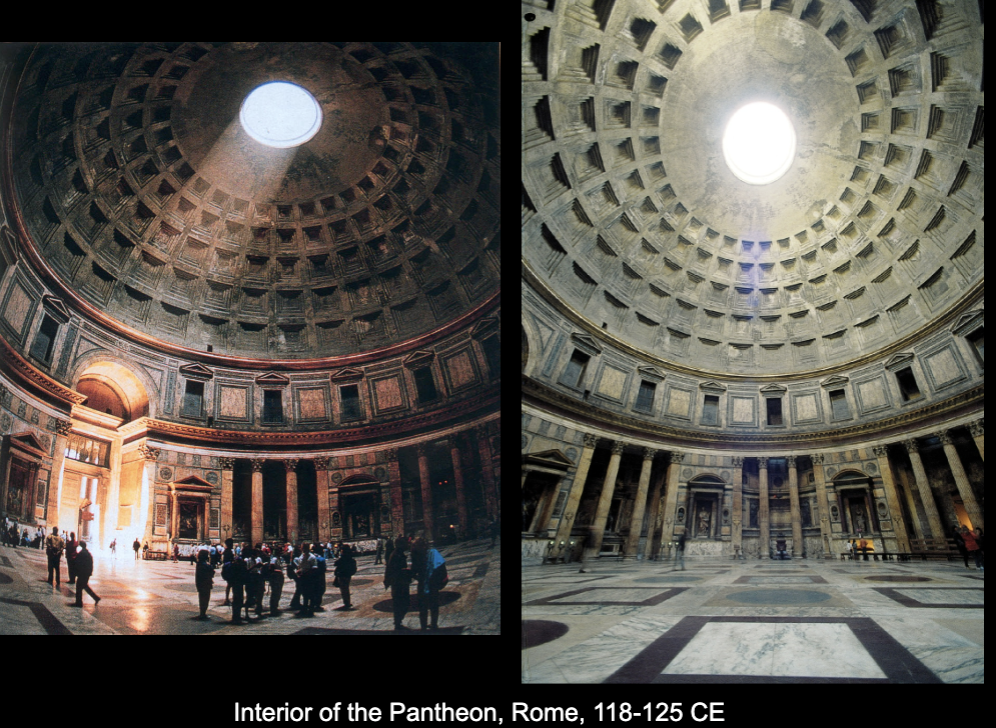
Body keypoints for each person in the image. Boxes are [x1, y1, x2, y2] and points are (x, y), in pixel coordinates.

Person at [411, 539, 447, 631]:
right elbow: (414, 570)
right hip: (428, 583)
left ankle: (428, 626)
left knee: (427, 606)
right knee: (430, 606)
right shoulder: (420, 555)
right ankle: (430, 625)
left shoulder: (429, 554)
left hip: (428, 583)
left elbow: (441, 567)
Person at [384, 536, 412, 631]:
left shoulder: (398, 553)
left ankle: (398, 622)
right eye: (405, 543)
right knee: (401, 603)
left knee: (401, 603)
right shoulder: (396, 555)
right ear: (401, 545)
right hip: (398, 584)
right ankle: (398, 623)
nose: (407, 545)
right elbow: (393, 570)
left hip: (400, 583)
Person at [70, 542, 100, 607]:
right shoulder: (86, 553)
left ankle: (79, 603)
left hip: (83, 573)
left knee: (79, 587)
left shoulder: (82, 553)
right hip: (86, 573)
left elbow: (79, 563)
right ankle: (96, 598)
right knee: (84, 586)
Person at [294, 543, 317, 617]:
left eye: (303, 548)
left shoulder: (312, 557)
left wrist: (306, 573)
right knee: (304, 594)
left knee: (311, 594)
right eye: (302, 548)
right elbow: (300, 565)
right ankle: (304, 608)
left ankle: (311, 610)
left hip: (309, 578)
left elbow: (314, 568)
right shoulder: (301, 556)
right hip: (302, 577)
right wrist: (299, 571)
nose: (302, 549)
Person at [334, 544, 357, 611]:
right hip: (348, 575)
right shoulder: (350, 557)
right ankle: (347, 602)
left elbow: (336, 563)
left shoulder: (343, 557)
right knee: (346, 588)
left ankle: (346, 603)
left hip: (342, 575)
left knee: (344, 590)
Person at [194, 549, 214, 620]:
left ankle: (202, 613)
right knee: (205, 599)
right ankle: (203, 614)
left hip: (200, 584)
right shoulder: (204, 565)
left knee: (202, 599)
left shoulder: (199, 563)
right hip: (205, 585)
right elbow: (211, 573)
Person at [312, 544, 328, 613]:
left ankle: (312, 604)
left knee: (313, 589)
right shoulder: (320, 558)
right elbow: (324, 568)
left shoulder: (310, 556)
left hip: (312, 576)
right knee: (320, 589)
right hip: (320, 576)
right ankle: (317, 605)